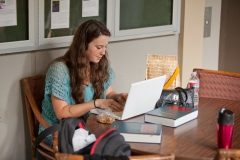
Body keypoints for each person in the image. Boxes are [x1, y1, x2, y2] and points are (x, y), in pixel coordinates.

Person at [38, 20, 128, 147]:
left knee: (118, 143)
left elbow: (109, 92)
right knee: (108, 148)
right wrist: (96, 103)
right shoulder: (59, 70)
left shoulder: (99, 65)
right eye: (98, 47)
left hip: (87, 129)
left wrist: (118, 96)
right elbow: (62, 112)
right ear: (83, 45)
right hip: (59, 133)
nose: (103, 52)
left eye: (105, 47)